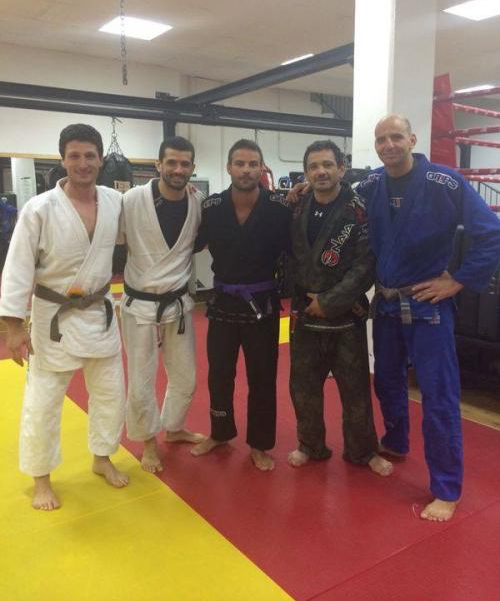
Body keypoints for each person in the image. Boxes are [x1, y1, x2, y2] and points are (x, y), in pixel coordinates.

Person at [358, 114, 500, 521]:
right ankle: (396, 440)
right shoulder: (370, 184)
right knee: (386, 380)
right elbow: (338, 198)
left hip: (428, 308)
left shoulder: (445, 181)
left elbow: (491, 231)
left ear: (412, 139)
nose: (388, 145)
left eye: (396, 137)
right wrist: (300, 191)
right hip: (387, 304)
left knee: (438, 396)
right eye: (381, 139)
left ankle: (446, 488)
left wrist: (458, 280)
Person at [0, 124, 128, 511]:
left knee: (110, 394)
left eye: (90, 155)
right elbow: (17, 267)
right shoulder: (39, 208)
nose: (83, 163)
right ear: (63, 160)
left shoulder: (114, 201)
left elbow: (145, 219)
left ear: (101, 159)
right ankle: (41, 478)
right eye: (74, 155)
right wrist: (13, 328)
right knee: (43, 402)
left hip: (100, 313)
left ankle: (102, 457)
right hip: (53, 316)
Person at [287, 140, 392, 477]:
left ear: (341, 169)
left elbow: (365, 264)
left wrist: (329, 301)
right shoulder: (296, 206)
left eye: (327, 165)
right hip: (304, 311)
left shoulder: (359, 210)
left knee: (355, 389)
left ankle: (362, 450)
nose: (321, 172)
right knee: (303, 387)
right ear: (306, 173)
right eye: (314, 166)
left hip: (346, 315)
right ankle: (310, 444)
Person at [190, 139, 292, 471]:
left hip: (262, 304)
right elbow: (190, 243)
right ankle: (220, 432)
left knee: (262, 377)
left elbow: (298, 247)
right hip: (222, 301)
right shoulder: (211, 206)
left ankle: (260, 443)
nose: (246, 170)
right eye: (239, 163)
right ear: (229, 167)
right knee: (219, 374)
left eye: (252, 164)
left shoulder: (279, 207)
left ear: (262, 168)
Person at [120, 136, 204, 473]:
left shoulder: (196, 202)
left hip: (178, 303)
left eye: (185, 164)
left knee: (186, 376)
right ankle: (148, 442)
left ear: (192, 168)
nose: (178, 169)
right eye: (171, 162)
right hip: (140, 304)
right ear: (158, 165)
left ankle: (174, 426)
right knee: (141, 379)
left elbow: (196, 245)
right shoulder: (131, 201)